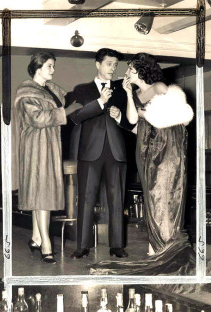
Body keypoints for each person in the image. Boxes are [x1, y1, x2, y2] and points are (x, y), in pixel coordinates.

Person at [90, 52, 196, 275]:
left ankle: (166, 249)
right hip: (146, 148)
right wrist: (128, 94)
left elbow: (173, 115)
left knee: (165, 195)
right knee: (152, 197)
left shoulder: (158, 86)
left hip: (167, 148)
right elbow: (132, 121)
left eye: (130, 69)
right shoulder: (136, 92)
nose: (126, 73)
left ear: (140, 71)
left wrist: (146, 114)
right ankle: (156, 246)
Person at [14, 52, 82, 264]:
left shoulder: (50, 90)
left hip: (49, 146)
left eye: (53, 65)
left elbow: (67, 102)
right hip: (35, 148)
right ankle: (46, 244)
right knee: (41, 195)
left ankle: (35, 237)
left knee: (39, 193)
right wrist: (67, 110)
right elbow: (37, 119)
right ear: (38, 68)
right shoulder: (26, 92)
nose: (53, 70)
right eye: (50, 66)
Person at [69, 48, 134, 259]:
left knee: (117, 200)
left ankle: (117, 246)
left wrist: (119, 117)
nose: (113, 69)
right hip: (89, 152)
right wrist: (100, 103)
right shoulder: (82, 90)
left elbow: (129, 124)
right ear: (97, 64)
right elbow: (76, 117)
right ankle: (82, 246)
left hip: (116, 152)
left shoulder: (121, 90)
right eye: (109, 64)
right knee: (86, 199)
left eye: (115, 65)